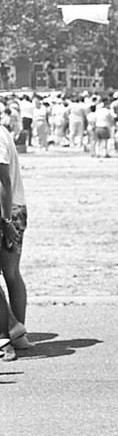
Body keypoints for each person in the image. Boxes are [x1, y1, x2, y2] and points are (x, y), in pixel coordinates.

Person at [0, 122, 28, 361]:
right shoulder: (3, 131)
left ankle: (7, 335)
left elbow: (2, 181)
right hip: (14, 207)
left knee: (9, 273)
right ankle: (18, 335)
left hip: (5, 210)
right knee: (11, 273)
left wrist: (6, 219)